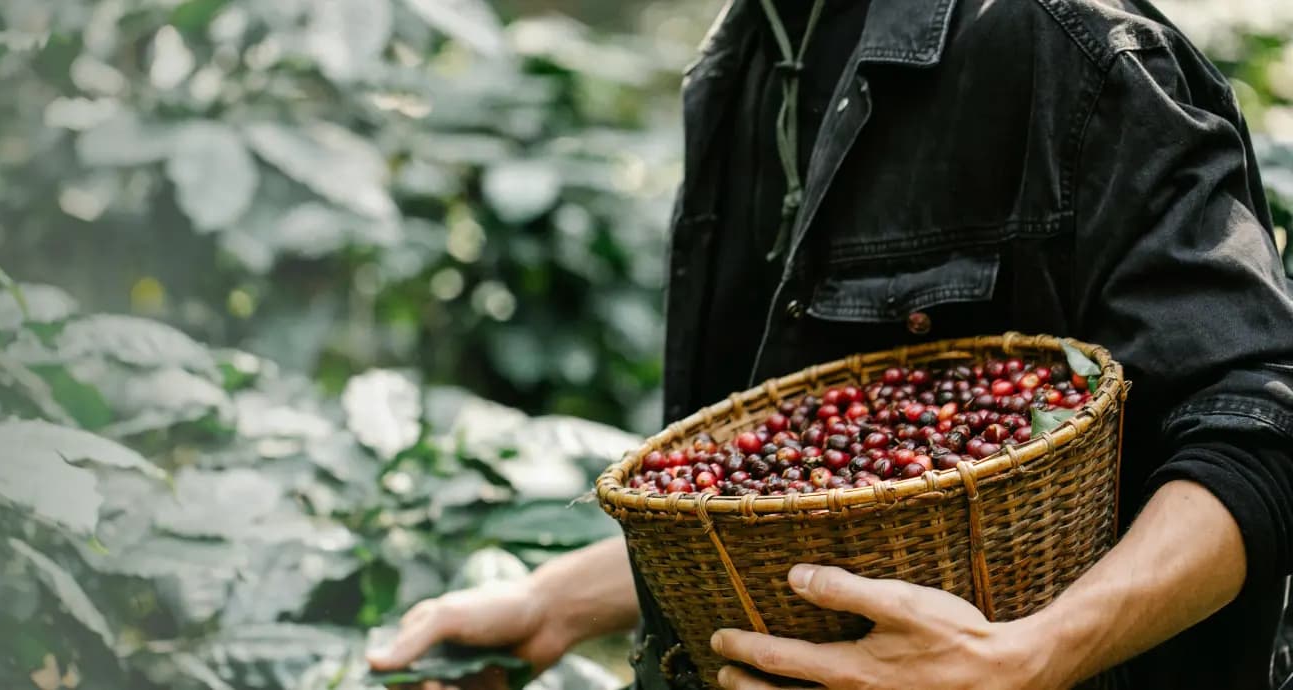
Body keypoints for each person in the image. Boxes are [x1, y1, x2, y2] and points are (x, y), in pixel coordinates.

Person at [368, 0, 1293, 687]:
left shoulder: (1060, 44)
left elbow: (1260, 430)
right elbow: (799, 495)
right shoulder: (746, 61)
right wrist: (551, 604)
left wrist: (1032, 655)